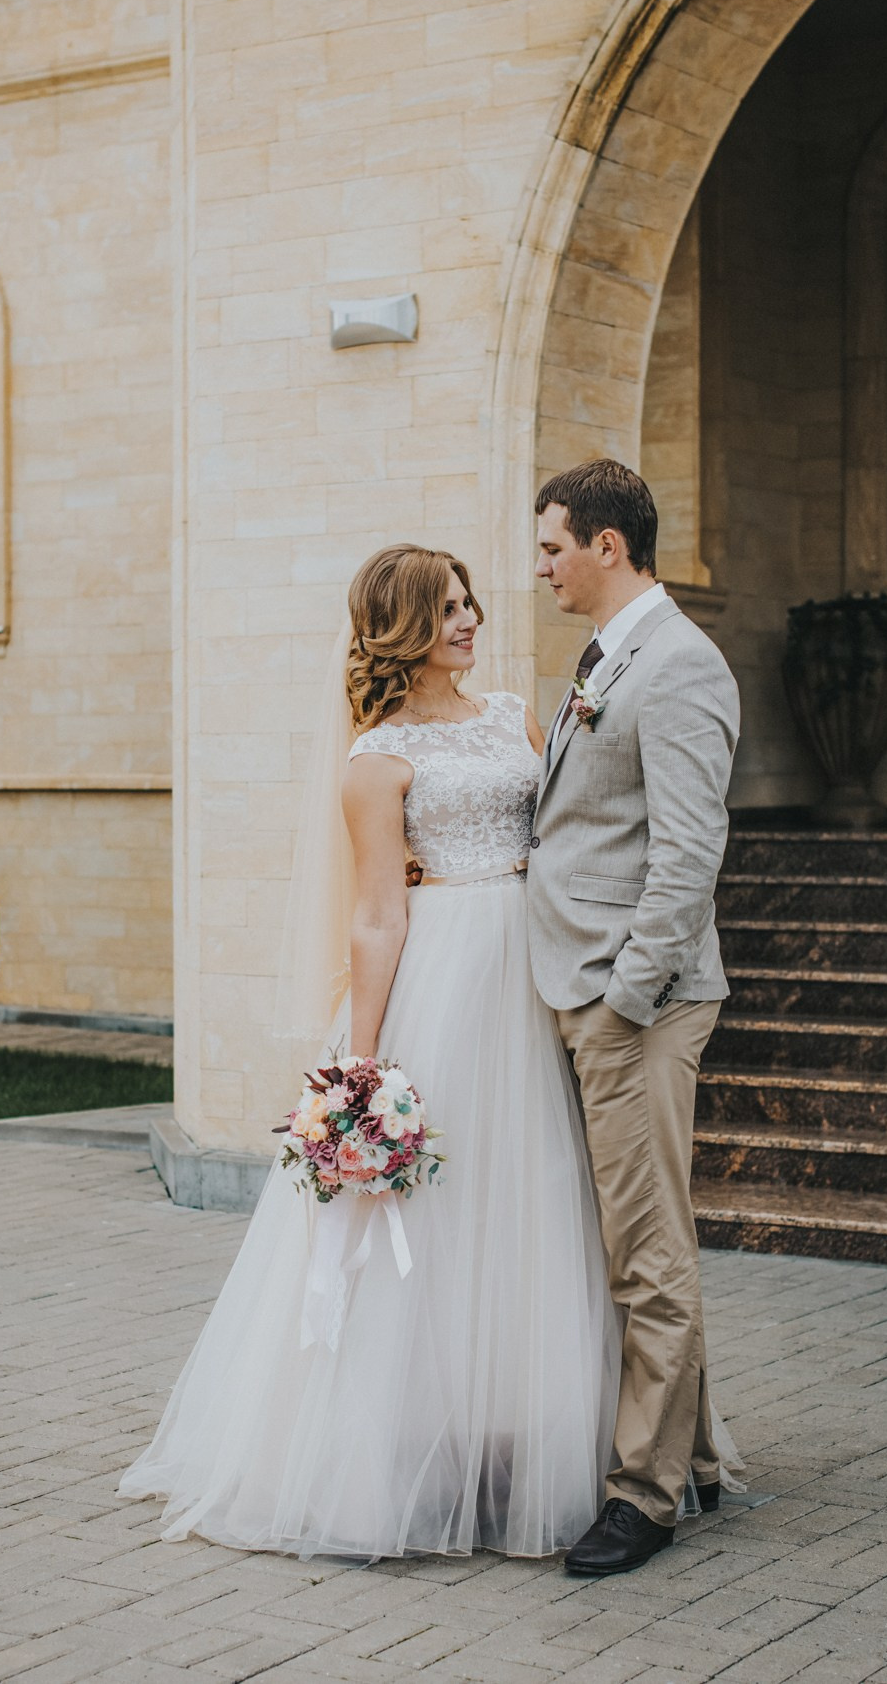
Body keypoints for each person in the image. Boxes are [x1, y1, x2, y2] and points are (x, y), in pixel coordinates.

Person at [118, 542, 622, 1560]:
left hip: (528, 977)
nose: (469, 618)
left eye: (468, 599)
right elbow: (378, 918)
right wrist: (361, 1067)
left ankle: (521, 1436)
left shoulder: (511, 717)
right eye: (444, 610)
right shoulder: (375, 756)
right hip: (444, 983)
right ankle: (390, 1452)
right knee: (429, 1215)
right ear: (401, 629)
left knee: (522, 1199)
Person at [527, 457, 741, 1577]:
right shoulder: (608, 655)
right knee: (647, 1234)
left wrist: (622, 1000)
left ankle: (644, 1494)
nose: (542, 566)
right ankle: (696, 1456)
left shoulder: (682, 666)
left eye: (553, 545)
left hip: (637, 1001)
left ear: (609, 545)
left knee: (645, 1253)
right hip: (587, 983)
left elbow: (688, 853)